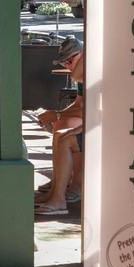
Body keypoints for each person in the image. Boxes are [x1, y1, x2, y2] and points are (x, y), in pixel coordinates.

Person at [34, 37, 85, 214]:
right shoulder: (84, 76)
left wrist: (56, 114)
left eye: (70, 61)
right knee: (60, 130)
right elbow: (80, 105)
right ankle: (57, 188)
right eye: (64, 63)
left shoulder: (92, 73)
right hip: (96, 123)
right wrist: (56, 116)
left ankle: (67, 191)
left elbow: (91, 112)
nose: (68, 66)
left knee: (65, 137)